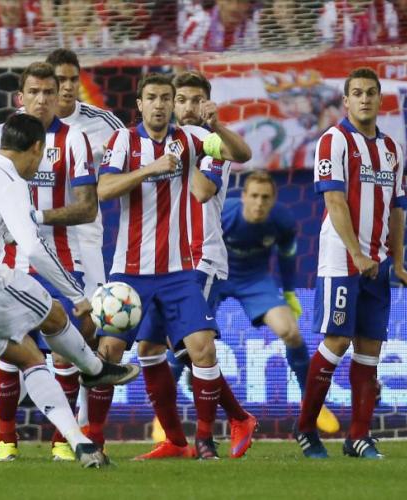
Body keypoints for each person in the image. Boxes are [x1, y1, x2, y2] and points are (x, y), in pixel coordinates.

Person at [0, 113, 140, 469]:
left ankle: (81, 444)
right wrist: (79, 296)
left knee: (30, 359)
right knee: (55, 312)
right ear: (37, 148)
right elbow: (35, 249)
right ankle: (94, 367)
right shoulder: (10, 179)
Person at [91, 73, 252, 460]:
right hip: (130, 271)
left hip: (181, 271)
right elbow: (104, 189)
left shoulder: (193, 139)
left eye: (166, 97)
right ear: (140, 104)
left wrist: (217, 128)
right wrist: (149, 169)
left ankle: (203, 440)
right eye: (154, 97)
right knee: (110, 351)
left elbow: (241, 154)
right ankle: (93, 441)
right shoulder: (123, 141)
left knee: (202, 350)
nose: (161, 104)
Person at [295, 67, 407, 459]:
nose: (365, 99)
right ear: (346, 101)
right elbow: (334, 201)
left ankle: (358, 437)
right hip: (341, 259)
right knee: (337, 340)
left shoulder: (392, 149)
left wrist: (398, 263)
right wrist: (356, 253)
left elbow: (397, 209)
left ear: (380, 99)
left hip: (377, 262)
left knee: (370, 349)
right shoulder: (333, 140)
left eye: (371, 92)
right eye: (358, 93)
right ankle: (305, 428)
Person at [0, 62, 99, 462]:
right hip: (8, 263)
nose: (42, 99)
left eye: (50, 91)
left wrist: (37, 217)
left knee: (64, 352)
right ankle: (7, 440)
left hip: (60, 261)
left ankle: (61, 442)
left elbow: (87, 208)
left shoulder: (76, 139)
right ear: (21, 96)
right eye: (34, 91)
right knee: (10, 350)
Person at [151, 70, 255, 444]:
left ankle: (206, 439)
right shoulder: (156, 142)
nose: (188, 107)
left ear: (207, 103)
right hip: (163, 260)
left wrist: (183, 154)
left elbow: (202, 191)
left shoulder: (211, 143)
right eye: (181, 100)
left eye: (196, 100)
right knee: (156, 348)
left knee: (197, 349)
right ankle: (220, 425)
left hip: (201, 258)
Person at [215, 170, 340, 433]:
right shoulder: (223, 214)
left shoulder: (282, 220)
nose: (259, 203)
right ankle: (164, 417)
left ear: (273, 199)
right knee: (188, 339)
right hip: (216, 276)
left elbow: (286, 257)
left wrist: (290, 293)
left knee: (291, 332)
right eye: (254, 196)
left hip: (255, 281)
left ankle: (312, 404)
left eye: (265, 197)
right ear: (243, 196)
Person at [43, 48, 125, 439]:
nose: (67, 87)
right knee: (33, 331)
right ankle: (6, 425)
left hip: (86, 237)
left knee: (89, 326)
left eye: (73, 79)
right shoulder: (27, 123)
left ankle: (84, 422)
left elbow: (129, 162)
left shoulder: (104, 123)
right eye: (59, 79)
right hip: (40, 239)